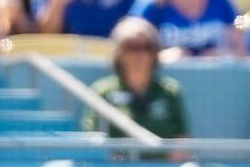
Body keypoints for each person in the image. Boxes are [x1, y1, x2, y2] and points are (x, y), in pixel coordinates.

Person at [81, 17, 190, 152]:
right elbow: (91, 140)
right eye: (131, 47)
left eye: (147, 47)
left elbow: (182, 141)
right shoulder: (103, 91)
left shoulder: (170, 91)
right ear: (118, 53)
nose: (140, 54)